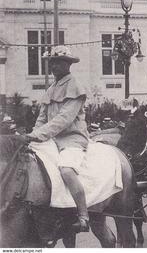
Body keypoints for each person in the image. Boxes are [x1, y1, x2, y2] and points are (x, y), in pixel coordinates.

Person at [17, 46, 90, 232]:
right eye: (52, 62)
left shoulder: (75, 87)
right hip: (51, 140)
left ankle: (83, 216)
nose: (54, 66)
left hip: (72, 139)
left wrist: (36, 135)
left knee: (66, 171)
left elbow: (63, 120)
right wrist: (31, 137)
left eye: (58, 62)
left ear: (68, 64)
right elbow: (42, 118)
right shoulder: (52, 88)